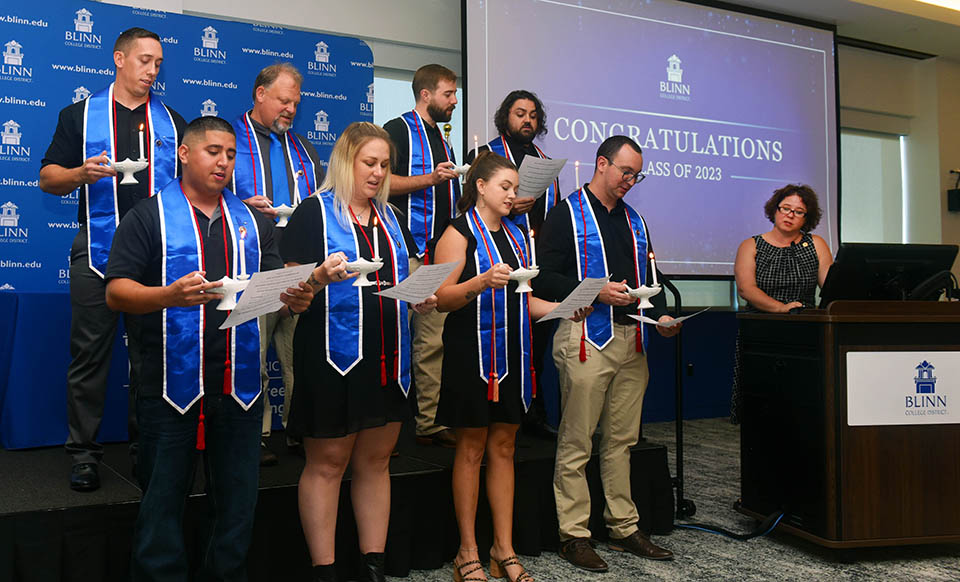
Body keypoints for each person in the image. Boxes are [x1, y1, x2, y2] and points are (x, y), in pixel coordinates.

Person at [103, 116, 326, 581]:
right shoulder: (149, 215)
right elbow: (115, 292)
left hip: (239, 386)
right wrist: (167, 295)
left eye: (230, 154)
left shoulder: (250, 220)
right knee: (162, 504)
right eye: (212, 152)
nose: (223, 162)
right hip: (169, 384)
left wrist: (295, 298)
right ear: (184, 154)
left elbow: (272, 292)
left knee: (238, 505)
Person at [282, 122, 437, 582]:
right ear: (345, 161)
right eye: (369, 162)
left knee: (376, 463)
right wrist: (316, 279)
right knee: (327, 464)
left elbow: (402, 279)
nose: (377, 173)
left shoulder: (390, 217)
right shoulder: (313, 213)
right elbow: (290, 298)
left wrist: (418, 295)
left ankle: (374, 565)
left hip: (388, 361)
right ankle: (325, 570)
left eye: (385, 165)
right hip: (331, 358)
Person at [38, 27, 187, 492]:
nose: (152, 70)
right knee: (89, 357)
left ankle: (149, 453)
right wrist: (81, 172)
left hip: (154, 257)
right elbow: (47, 178)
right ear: (119, 59)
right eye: (144, 60)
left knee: (149, 360)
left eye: (158, 63)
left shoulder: (172, 121)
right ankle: (83, 454)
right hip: (97, 252)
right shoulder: (79, 116)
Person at [435, 152, 588, 582]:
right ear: (480, 186)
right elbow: (441, 299)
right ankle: (467, 552)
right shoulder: (457, 232)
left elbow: (526, 301)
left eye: (515, 187)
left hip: (513, 358)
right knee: (471, 450)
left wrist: (561, 308)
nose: (512, 195)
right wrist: (480, 281)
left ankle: (504, 548)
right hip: (472, 356)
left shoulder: (521, 237)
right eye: (504, 186)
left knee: (504, 448)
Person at [535, 136, 679, 573]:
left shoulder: (636, 222)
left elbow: (646, 282)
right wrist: (596, 290)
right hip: (584, 336)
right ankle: (574, 535)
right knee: (577, 441)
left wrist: (663, 318)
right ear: (602, 164)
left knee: (622, 441)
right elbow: (544, 280)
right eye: (625, 172)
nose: (631, 182)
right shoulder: (566, 215)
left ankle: (624, 526)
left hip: (632, 341)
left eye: (637, 175)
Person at [231, 62, 324, 464]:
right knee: (254, 352)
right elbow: (202, 193)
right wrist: (241, 206)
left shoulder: (303, 148)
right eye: (284, 100)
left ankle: (298, 429)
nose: (290, 109)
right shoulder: (229, 137)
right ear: (260, 94)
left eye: (295, 103)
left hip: (300, 263)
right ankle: (255, 435)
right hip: (252, 262)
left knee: (298, 355)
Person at [466, 90, 561, 439]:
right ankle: (498, 412)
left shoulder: (544, 161)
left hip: (536, 259)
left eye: (534, 115)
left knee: (535, 340)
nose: (528, 121)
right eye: (520, 113)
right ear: (505, 116)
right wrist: (509, 209)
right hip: (493, 256)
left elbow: (554, 211)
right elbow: (468, 206)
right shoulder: (484, 156)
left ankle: (532, 412)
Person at [384, 64, 461, 448]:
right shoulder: (396, 130)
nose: (454, 101)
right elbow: (381, 183)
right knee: (396, 337)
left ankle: (428, 421)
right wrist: (430, 178)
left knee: (432, 342)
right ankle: (388, 425)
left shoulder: (443, 139)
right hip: (405, 252)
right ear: (426, 94)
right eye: (448, 94)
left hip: (438, 255)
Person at [730, 184, 832, 423]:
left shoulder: (816, 244)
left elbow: (830, 288)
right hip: (761, 331)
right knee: (763, 408)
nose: (790, 215)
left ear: (807, 218)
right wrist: (781, 308)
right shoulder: (751, 245)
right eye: (786, 208)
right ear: (774, 210)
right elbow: (746, 289)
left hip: (805, 330)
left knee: (803, 408)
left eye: (798, 211)